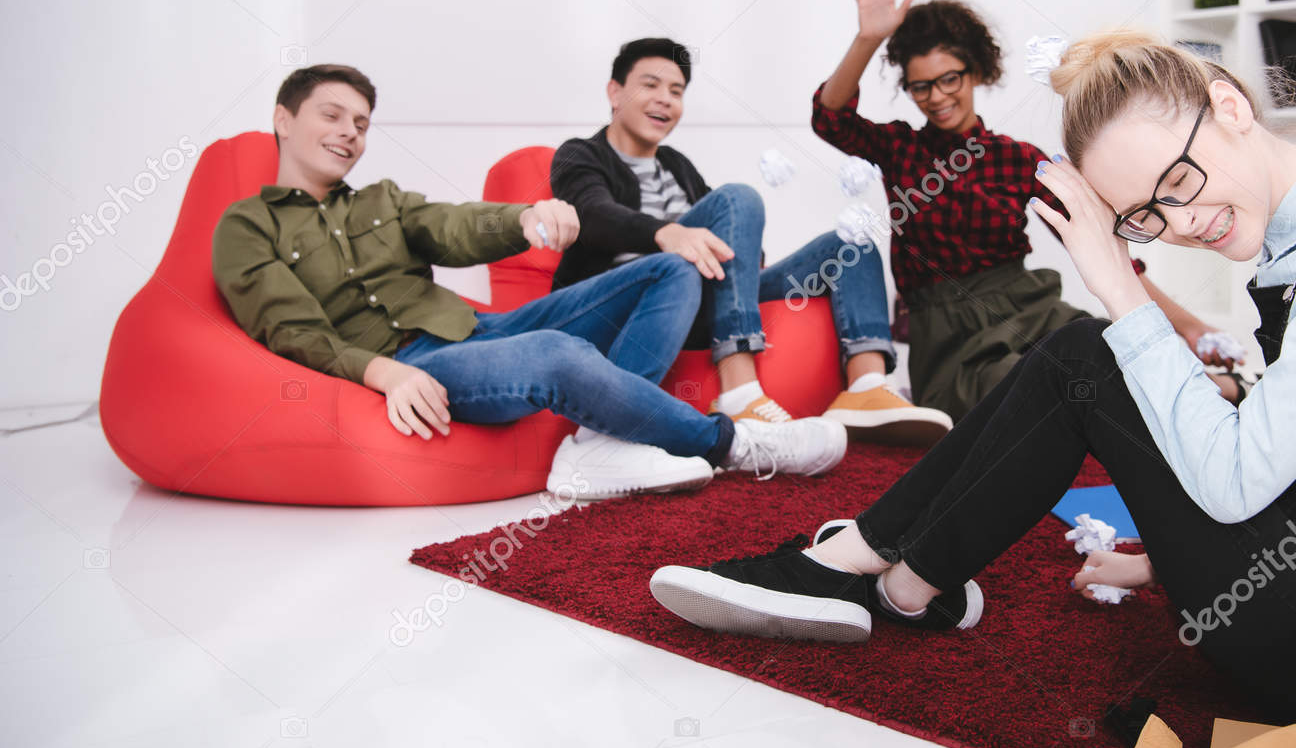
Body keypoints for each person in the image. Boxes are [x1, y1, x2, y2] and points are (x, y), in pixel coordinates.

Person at [650, 31, 1296, 729]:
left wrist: (1116, 279)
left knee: (1086, 355)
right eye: (1149, 214)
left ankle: (868, 565)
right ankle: (902, 578)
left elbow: (1240, 477)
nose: (1184, 221)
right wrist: (1183, 549)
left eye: (1178, 182)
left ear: (1230, 105)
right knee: (1085, 359)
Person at [212, 65, 847, 499]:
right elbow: (291, 330)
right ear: (284, 119)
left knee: (673, 266)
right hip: (415, 360)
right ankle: (732, 443)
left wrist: (525, 219)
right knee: (558, 354)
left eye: (361, 122)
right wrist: (384, 372)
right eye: (334, 115)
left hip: (477, 330)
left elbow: (453, 226)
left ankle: (600, 444)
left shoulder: (380, 199)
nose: (350, 132)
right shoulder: (246, 225)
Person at [812, 0, 1244, 420]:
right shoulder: (900, 147)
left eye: (949, 78)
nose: (936, 96)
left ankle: (1226, 391)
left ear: (976, 70)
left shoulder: (1020, 160)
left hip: (1031, 308)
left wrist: (1192, 328)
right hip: (950, 336)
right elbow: (830, 119)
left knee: (1106, 356)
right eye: (921, 87)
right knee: (1025, 395)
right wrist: (868, 38)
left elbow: (1107, 252)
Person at [549, 36, 952, 448]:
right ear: (615, 91)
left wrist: (745, 259)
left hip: (709, 297)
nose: (665, 100)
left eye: (676, 91)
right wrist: (665, 232)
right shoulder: (580, 155)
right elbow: (591, 214)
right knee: (738, 197)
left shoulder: (677, 166)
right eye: (650, 85)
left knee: (849, 243)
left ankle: (866, 386)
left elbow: (730, 231)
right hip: (638, 302)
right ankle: (739, 392)